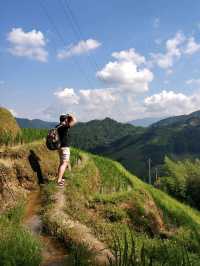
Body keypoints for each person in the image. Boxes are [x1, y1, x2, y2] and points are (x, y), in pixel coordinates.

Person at [57, 114, 77, 187]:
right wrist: (71, 115)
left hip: (59, 147)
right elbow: (75, 121)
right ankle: (59, 181)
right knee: (64, 163)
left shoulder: (58, 126)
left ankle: (60, 178)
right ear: (65, 120)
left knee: (61, 163)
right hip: (65, 147)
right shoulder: (64, 126)